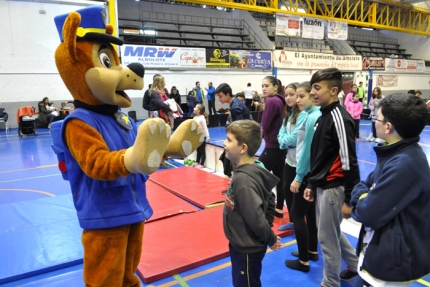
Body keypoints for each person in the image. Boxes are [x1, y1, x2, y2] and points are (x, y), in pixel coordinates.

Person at [350, 93, 430, 287]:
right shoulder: (394, 153)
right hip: (380, 248)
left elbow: (368, 212)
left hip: (391, 262)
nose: (374, 121)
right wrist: (363, 194)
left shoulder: (405, 164)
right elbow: (365, 184)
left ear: (388, 127)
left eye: (377, 117)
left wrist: (360, 198)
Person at [304, 68, 360, 287]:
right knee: (331, 232)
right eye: (312, 88)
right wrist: (311, 182)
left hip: (335, 188)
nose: (312, 92)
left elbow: (349, 161)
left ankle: (330, 283)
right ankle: (355, 265)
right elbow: (321, 157)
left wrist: (349, 199)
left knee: (326, 239)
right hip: (323, 185)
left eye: (317, 88)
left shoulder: (338, 117)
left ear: (334, 90)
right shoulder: (323, 116)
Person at [222, 119, 282, 287]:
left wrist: (269, 237)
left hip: (247, 249)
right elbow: (270, 199)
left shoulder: (244, 180)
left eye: (229, 140)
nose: (224, 144)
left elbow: (255, 217)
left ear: (242, 148)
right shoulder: (248, 170)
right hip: (241, 243)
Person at [284, 81, 320, 272]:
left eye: (301, 96)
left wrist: (299, 177)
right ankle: (312, 250)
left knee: (297, 215)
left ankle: (304, 260)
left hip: (306, 171)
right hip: (310, 172)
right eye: (295, 96)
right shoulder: (308, 115)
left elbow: (306, 150)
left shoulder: (312, 118)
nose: (297, 100)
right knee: (310, 213)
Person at [277, 82, 305, 231]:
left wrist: (285, 141)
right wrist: (284, 142)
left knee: (298, 195)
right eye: (286, 95)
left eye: (292, 95)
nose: (288, 98)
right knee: (286, 190)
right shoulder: (289, 113)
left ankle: (301, 221)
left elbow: (295, 138)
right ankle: (293, 221)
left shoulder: (303, 115)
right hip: (289, 160)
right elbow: (281, 134)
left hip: (300, 162)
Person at [260, 76, 286, 218]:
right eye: (262, 86)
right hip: (281, 146)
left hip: (272, 146)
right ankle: (279, 208)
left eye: (267, 85)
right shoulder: (282, 100)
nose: (263, 88)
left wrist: (261, 136)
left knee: (258, 176)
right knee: (279, 177)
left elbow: (265, 124)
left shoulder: (272, 102)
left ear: (275, 87)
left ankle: (262, 206)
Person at [215, 83, 251, 180]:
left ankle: (237, 183)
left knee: (238, 164)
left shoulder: (235, 107)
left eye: (220, 96)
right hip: (245, 137)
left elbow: (240, 128)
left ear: (227, 95)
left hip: (244, 140)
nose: (219, 99)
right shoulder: (236, 103)